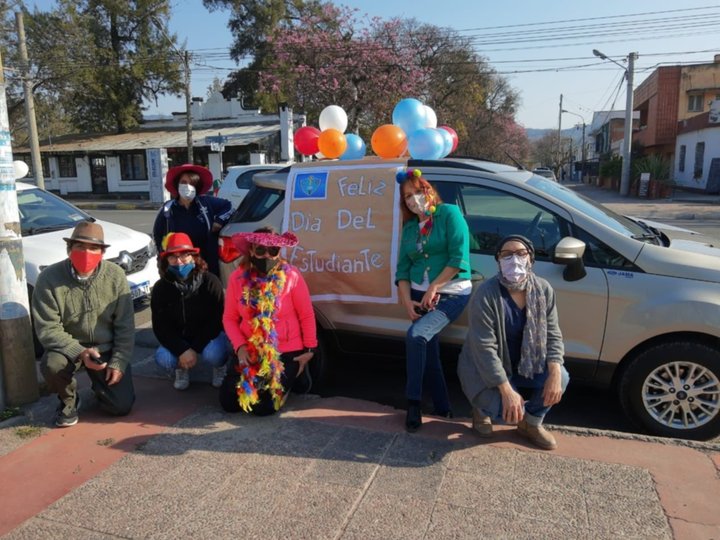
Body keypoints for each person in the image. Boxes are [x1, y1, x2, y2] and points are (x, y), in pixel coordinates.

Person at [457, 235, 570, 450]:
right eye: (506, 255)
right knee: (504, 411)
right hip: (486, 368)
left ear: (531, 259)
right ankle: (481, 410)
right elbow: (484, 348)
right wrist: (507, 392)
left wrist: (554, 371)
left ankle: (531, 423)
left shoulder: (543, 289)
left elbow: (553, 333)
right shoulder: (486, 294)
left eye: (521, 253)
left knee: (562, 377)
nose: (514, 260)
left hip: (527, 364)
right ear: (498, 260)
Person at [31, 221, 135, 427]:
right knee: (52, 365)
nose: (87, 253)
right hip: (68, 349)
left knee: (120, 407)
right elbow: (47, 328)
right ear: (69, 249)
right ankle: (69, 399)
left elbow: (125, 326)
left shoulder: (115, 276)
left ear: (102, 252)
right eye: (80, 246)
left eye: (94, 248)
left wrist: (118, 362)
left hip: (105, 349)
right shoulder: (48, 278)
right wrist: (80, 351)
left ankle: (100, 386)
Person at [395, 168, 472, 432]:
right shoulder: (408, 228)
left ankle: (413, 402)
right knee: (428, 351)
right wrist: (407, 302)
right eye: (407, 197)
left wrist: (435, 286)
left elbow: (458, 258)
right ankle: (443, 408)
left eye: (417, 192)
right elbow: (402, 271)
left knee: (416, 336)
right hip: (418, 296)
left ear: (428, 191)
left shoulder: (449, 213)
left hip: (451, 293)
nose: (414, 199)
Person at [219, 227, 317, 416]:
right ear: (251, 251)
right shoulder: (237, 278)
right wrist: (239, 347)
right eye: (261, 250)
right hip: (250, 349)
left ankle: (295, 377)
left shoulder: (292, 276)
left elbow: (306, 314)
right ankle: (264, 381)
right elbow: (229, 318)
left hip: (286, 351)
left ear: (279, 253)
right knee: (229, 404)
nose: (267, 256)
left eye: (273, 251)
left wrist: (310, 351)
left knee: (263, 408)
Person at [151, 232, 230, 391]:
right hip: (180, 338)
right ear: (166, 260)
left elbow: (217, 319)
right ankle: (181, 369)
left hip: (208, 337)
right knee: (163, 358)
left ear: (194, 257)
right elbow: (160, 326)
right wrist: (181, 349)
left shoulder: (210, 281)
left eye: (184, 256)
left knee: (215, 354)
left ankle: (219, 367)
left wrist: (194, 348)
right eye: (173, 257)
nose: (179, 262)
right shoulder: (161, 287)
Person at [153, 163, 233, 277]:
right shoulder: (167, 209)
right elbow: (157, 235)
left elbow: (228, 206)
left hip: (207, 261)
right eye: (184, 183)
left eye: (192, 184)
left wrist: (219, 221)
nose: (188, 186)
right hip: (180, 264)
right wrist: (163, 258)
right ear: (177, 184)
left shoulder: (205, 203)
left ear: (197, 186)